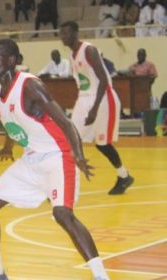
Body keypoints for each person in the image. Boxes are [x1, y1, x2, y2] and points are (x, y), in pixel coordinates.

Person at [0, 38, 125, 280]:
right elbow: (12, 122)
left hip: (58, 156)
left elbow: (64, 121)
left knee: (63, 214)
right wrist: (7, 147)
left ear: (11, 60)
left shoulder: (30, 85)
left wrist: (79, 156)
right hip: (31, 160)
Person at [60, 21, 133, 195]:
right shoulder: (72, 55)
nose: (63, 37)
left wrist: (93, 108)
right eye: (61, 34)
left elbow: (103, 80)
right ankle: (65, 185)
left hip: (102, 99)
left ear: (76, 33)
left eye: (67, 33)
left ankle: (123, 176)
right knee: (70, 140)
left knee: (102, 144)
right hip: (84, 99)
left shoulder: (89, 50)